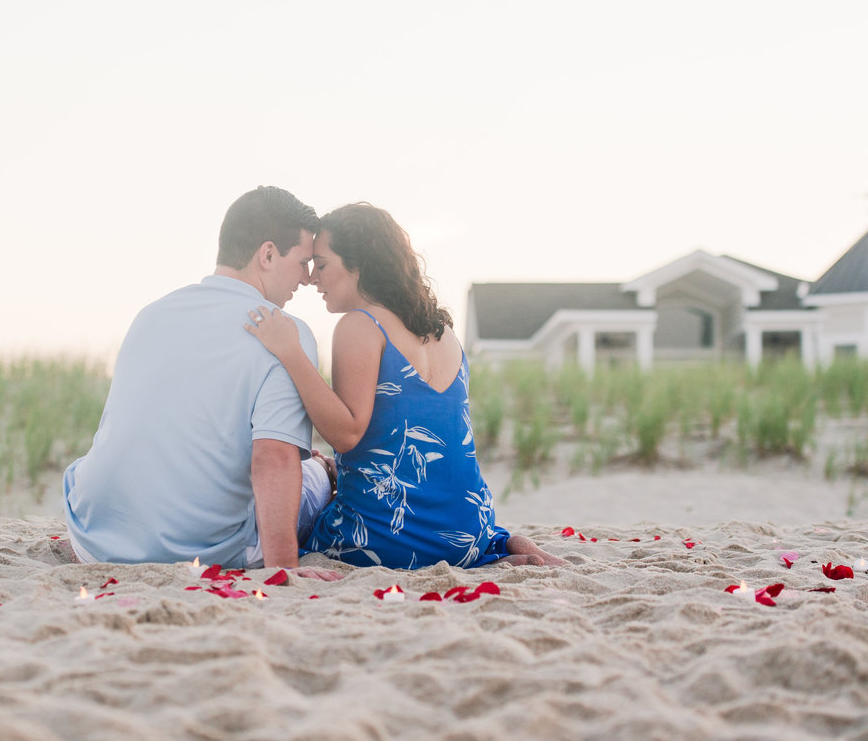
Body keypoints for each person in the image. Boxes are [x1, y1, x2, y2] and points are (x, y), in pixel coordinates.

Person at [246, 202, 566, 569]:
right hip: (469, 532)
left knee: (287, 519)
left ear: (359, 264)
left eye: (322, 264)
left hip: (389, 540)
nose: (312, 278)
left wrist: (290, 352)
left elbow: (347, 435)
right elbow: (406, 430)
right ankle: (504, 543)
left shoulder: (359, 325)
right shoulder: (444, 333)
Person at [63, 187, 341, 581]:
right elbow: (273, 458)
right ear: (267, 254)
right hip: (201, 548)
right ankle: (324, 472)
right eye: (302, 261)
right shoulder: (284, 331)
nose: (309, 277)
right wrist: (284, 572)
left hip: (93, 539)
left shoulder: (153, 313)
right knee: (316, 474)